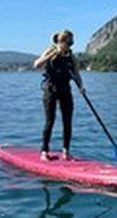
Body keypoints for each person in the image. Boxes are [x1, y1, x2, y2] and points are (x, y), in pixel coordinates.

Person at [33, 29, 84, 161]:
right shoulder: (50, 51)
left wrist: (81, 86)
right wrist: (53, 54)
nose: (70, 45)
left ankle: (66, 152)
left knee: (68, 122)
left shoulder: (71, 57)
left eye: (71, 43)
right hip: (50, 90)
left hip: (65, 90)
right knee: (50, 121)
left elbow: (77, 74)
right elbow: (36, 64)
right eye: (68, 42)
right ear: (61, 41)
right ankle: (44, 151)